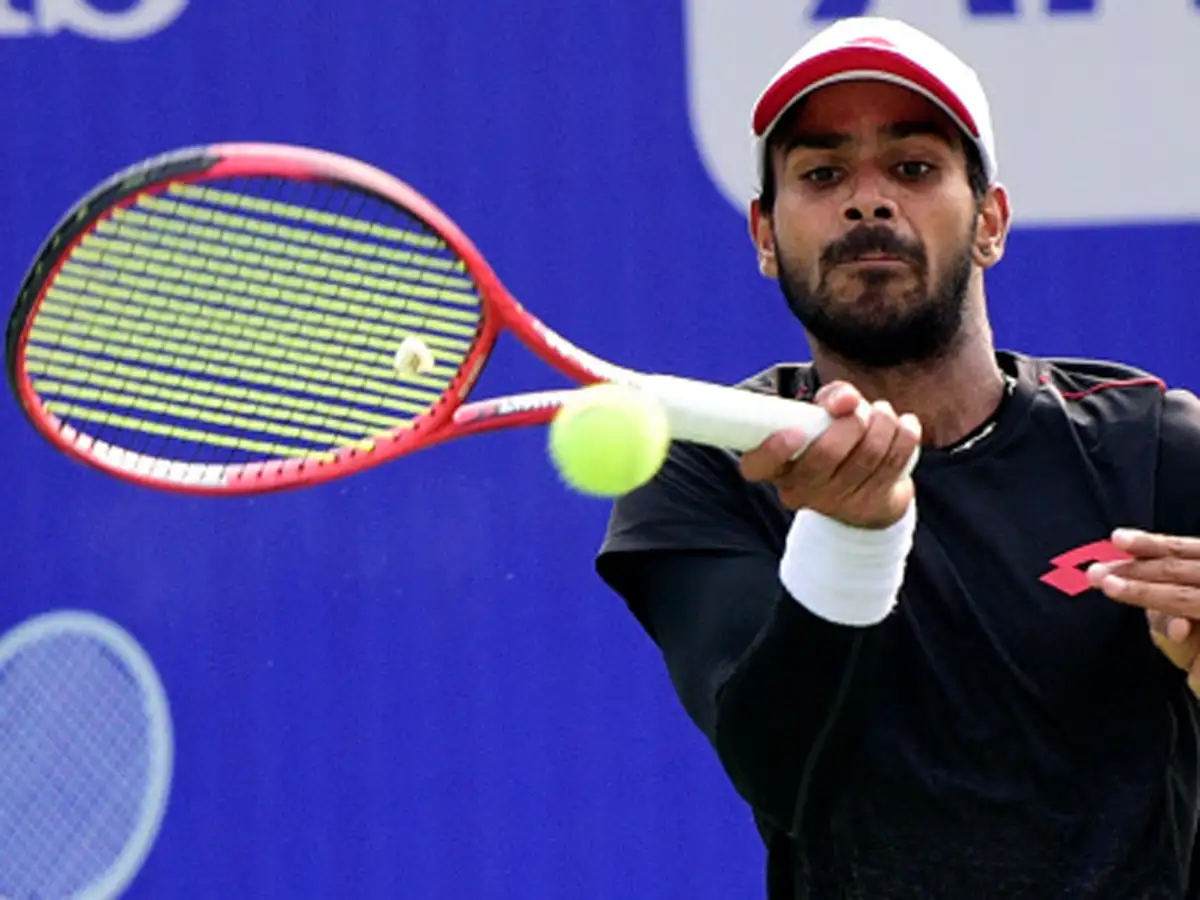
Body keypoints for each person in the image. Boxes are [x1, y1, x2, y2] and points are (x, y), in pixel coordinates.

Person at [595, 15, 1200, 900]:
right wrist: (851, 537)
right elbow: (780, 769)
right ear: (764, 235)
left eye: (913, 168)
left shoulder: (1159, 451)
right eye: (822, 174)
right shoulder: (708, 466)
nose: (867, 202)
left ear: (990, 220)